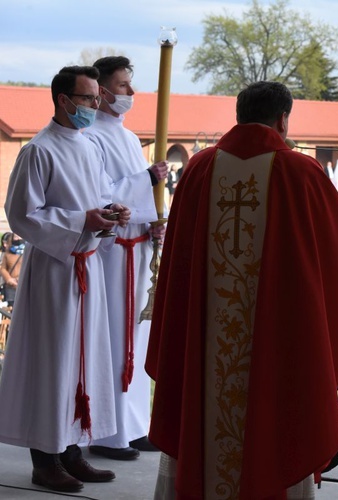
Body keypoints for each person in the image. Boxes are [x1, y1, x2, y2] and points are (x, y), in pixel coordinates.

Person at [145, 81, 338, 499]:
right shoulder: (303, 173)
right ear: (283, 119)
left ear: (239, 115)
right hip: (279, 343)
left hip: (204, 347)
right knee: (278, 414)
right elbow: (331, 263)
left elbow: (177, 272)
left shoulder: (199, 170)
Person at [0, 65, 132, 493]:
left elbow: (93, 201)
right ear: (63, 100)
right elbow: (23, 215)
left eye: (97, 98)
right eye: (90, 98)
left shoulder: (90, 146)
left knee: (85, 361)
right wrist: (82, 220)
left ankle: (74, 450)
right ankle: (46, 458)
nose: (97, 106)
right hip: (55, 271)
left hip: (87, 263)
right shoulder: (38, 151)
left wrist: (110, 215)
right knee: (54, 362)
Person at [81, 56, 169, 461]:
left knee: (136, 340)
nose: (131, 93)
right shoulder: (91, 138)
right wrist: (146, 180)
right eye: (123, 85)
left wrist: (153, 225)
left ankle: (134, 426)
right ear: (100, 91)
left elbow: (141, 201)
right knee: (114, 339)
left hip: (137, 250)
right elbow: (102, 193)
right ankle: (105, 431)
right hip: (112, 253)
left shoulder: (131, 139)